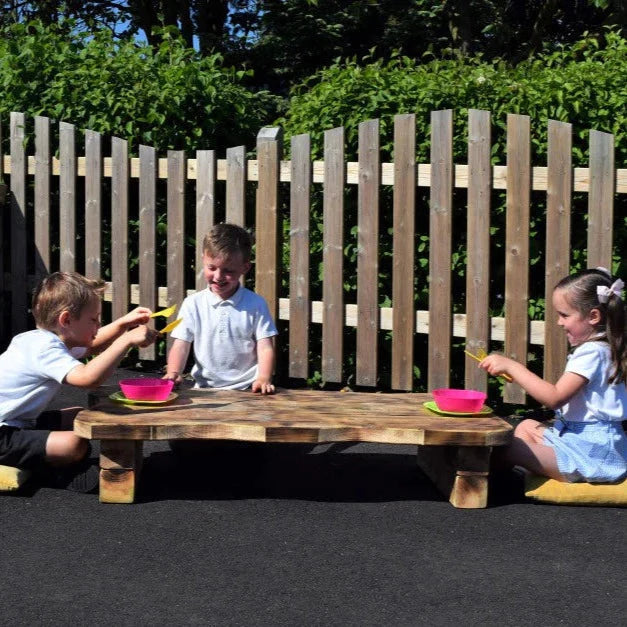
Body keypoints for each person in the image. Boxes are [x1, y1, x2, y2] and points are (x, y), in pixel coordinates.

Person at [0, 271, 159, 492]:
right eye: (93, 319)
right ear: (66, 320)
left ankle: (37, 458)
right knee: (73, 444)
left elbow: (91, 345)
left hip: (16, 421)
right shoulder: (44, 349)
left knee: (79, 416)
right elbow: (87, 378)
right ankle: (49, 473)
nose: (97, 324)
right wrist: (126, 340)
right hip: (3, 433)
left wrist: (123, 323)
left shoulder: (39, 339)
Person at [479, 268, 627, 483]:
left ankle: (486, 481)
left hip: (591, 453)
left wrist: (513, 367)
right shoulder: (605, 346)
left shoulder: (592, 352)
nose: (559, 322)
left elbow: (555, 398)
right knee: (526, 426)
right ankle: (514, 474)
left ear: (593, 316)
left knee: (508, 448)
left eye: (564, 315)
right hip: (587, 441)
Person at [164, 223, 277, 394]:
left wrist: (263, 378)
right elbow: (181, 344)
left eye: (228, 270)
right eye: (212, 268)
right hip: (204, 388)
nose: (218, 276)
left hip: (248, 388)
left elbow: (265, 346)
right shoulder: (193, 303)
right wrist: (173, 372)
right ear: (203, 260)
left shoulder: (256, 304)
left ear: (245, 267)